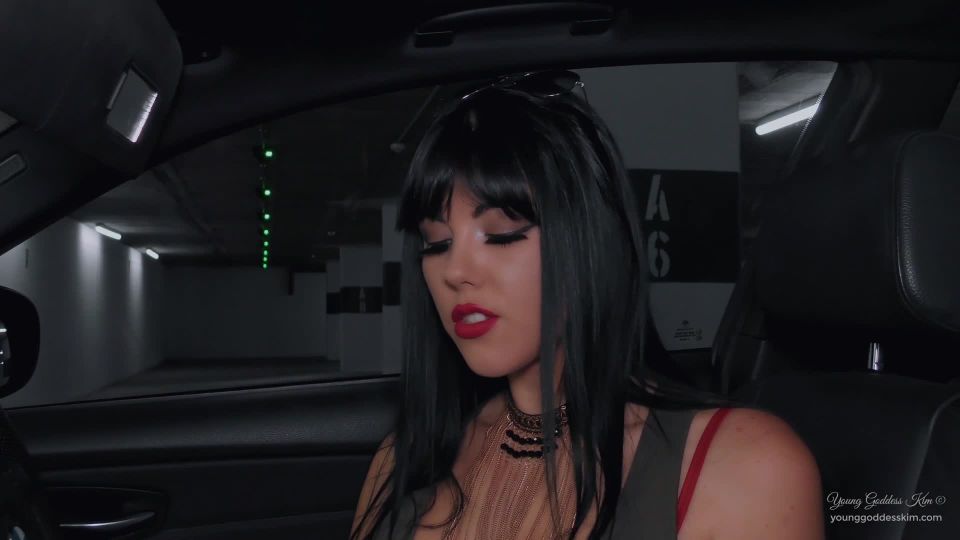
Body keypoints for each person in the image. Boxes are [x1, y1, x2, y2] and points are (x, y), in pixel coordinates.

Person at [350, 70, 824, 540]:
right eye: (436, 242)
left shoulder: (744, 465)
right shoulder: (402, 457)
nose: (455, 271)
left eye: (501, 234)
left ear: (591, 243)